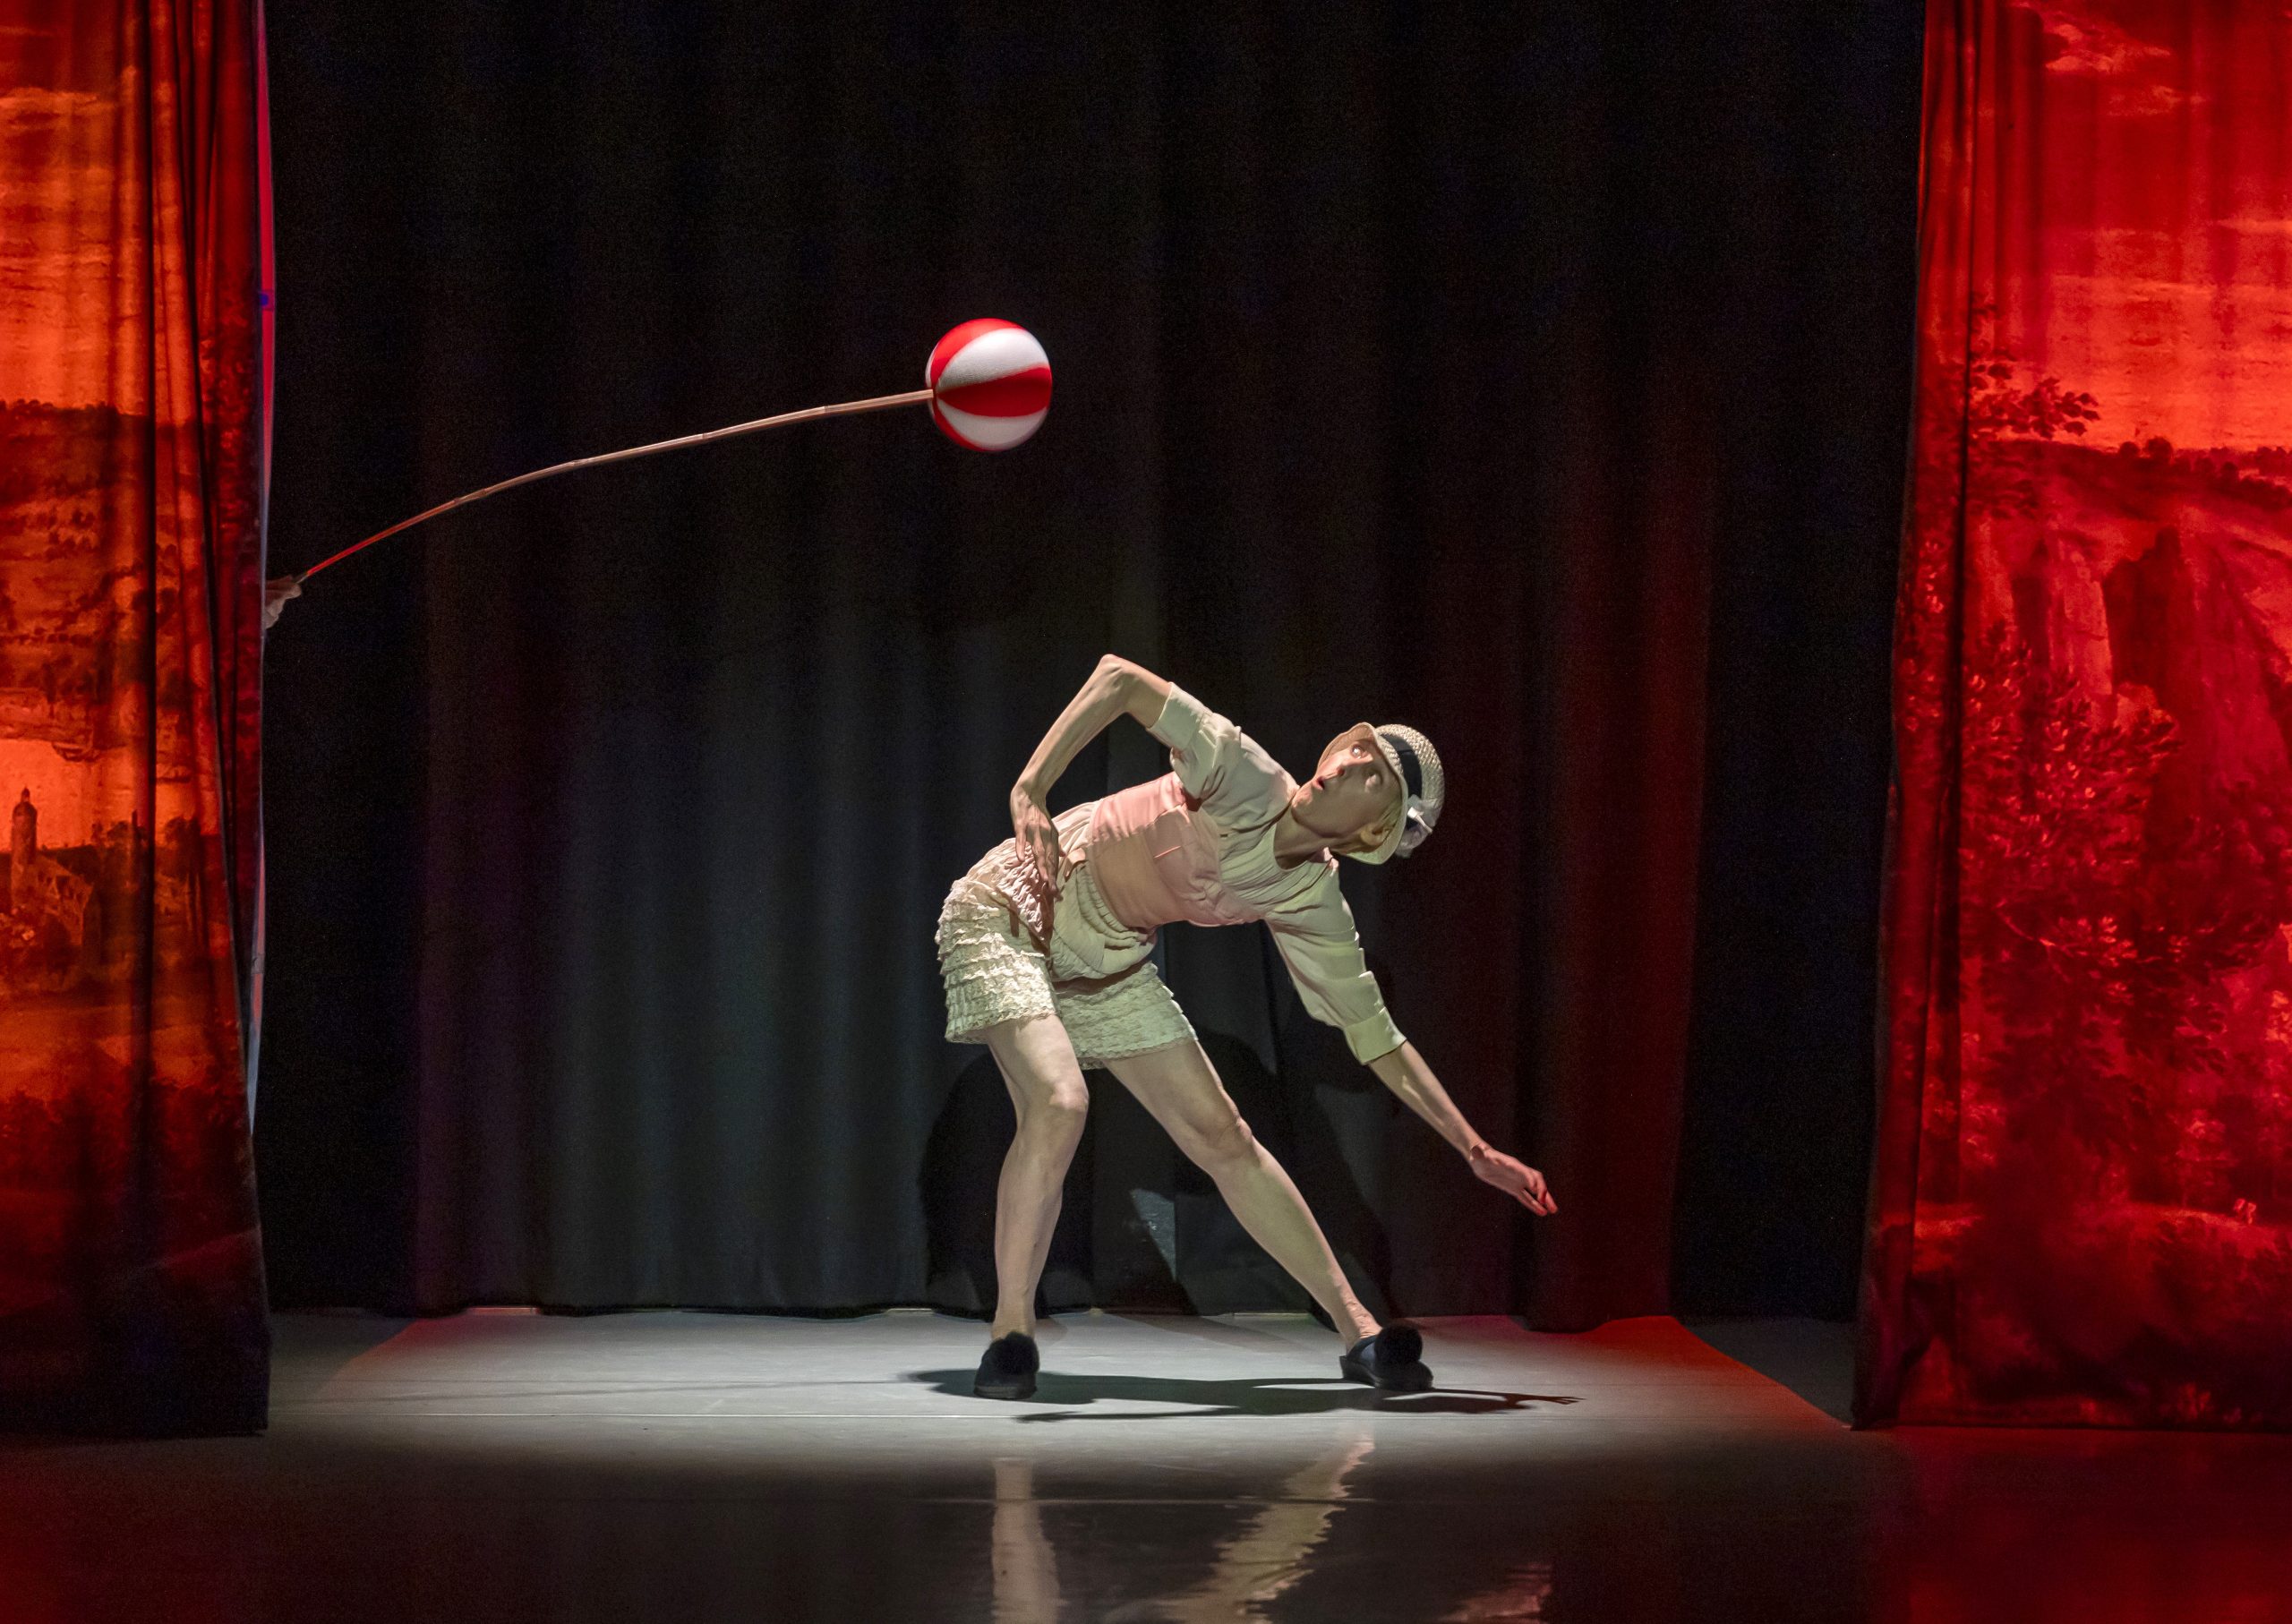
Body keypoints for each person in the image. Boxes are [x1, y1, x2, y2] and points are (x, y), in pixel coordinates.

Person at [935, 654, 1556, 1401]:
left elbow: (1376, 1037)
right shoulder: (1244, 773)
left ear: (1374, 828)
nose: (1347, 764)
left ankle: (1359, 1331)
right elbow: (1118, 679)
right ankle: (1011, 1335)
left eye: (1373, 776)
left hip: (1107, 961)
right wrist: (1030, 789)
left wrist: (1475, 1150)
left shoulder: (1311, 896)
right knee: (1060, 1102)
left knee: (1225, 1137)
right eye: (1357, 750)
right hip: (1012, 908)